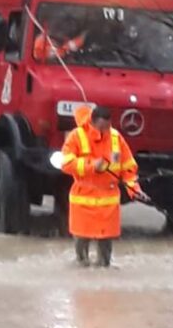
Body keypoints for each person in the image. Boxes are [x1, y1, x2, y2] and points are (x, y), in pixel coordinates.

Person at [60, 104, 141, 267]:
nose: (105, 130)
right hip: (83, 199)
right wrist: (91, 166)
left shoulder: (116, 138)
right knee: (81, 248)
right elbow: (65, 163)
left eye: (108, 126)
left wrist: (135, 190)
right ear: (93, 122)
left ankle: (104, 279)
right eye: (102, 127)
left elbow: (128, 168)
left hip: (108, 202)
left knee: (105, 254)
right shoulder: (77, 136)